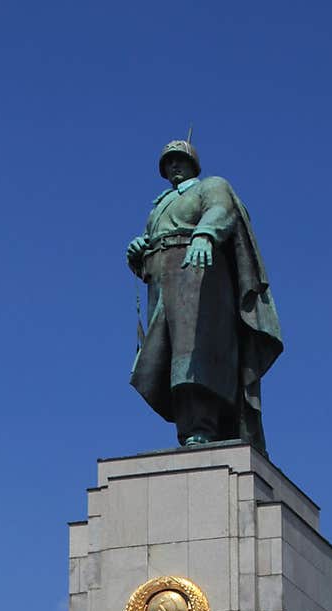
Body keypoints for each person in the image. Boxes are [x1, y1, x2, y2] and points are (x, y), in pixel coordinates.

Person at [126, 139, 282, 454]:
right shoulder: (159, 206)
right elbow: (152, 245)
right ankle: (190, 429)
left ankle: (203, 427)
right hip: (162, 283)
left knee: (193, 357)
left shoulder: (210, 186)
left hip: (197, 277)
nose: (174, 166)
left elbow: (221, 211)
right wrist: (139, 251)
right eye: (169, 162)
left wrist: (205, 234)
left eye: (180, 160)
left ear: (193, 163)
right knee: (167, 360)